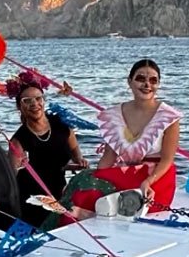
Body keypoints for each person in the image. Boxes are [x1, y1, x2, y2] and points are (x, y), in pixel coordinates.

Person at [65, 59, 181, 219]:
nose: (147, 84)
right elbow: (108, 158)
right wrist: (94, 179)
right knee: (82, 183)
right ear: (130, 81)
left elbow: (167, 160)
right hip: (125, 174)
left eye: (153, 80)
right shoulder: (114, 115)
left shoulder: (169, 116)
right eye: (141, 78)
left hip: (155, 180)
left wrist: (148, 182)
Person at [7, 71, 85, 224]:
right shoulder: (19, 140)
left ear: (43, 101)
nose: (34, 104)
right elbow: (10, 176)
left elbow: (76, 154)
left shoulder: (62, 126)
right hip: (32, 199)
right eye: (27, 100)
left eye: (38, 98)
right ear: (19, 106)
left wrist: (80, 162)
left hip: (60, 193)